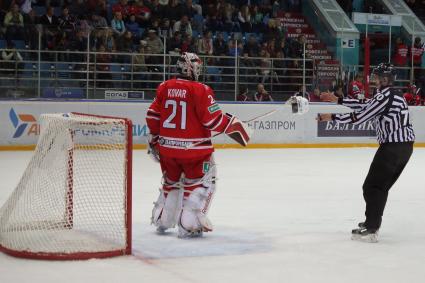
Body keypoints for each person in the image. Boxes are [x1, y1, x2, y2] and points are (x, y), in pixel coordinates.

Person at [146, 52, 253, 238]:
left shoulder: (164, 87)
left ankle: (162, 218)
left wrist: (155, 140)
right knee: (202, 182)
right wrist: (237, 127)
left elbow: (152, 116)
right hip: (194, 151)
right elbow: (213, 120)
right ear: (191, 68)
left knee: (171, 181)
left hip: (168, 151)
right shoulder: (201, 89)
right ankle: (190, 223)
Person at [319, 63, 415, 243]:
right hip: (403, 147)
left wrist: (332, 117)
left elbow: (362, 116)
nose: (373, 79)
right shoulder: (391, 94)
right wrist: (338, 100)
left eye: (377, 76)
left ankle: (372, 228)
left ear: (385, 79)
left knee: (372, 187)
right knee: (379, 187)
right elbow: (365, 104)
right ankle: (372, 222)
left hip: (393, 147)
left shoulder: (385, 96)